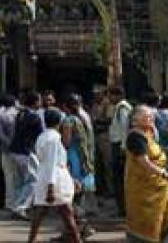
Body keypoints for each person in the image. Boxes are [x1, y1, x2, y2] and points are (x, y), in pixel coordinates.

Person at [124, 105, 168, 243]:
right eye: (146, 115)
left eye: (151, 115)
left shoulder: (148, 134)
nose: (150, 117)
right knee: (146, 231)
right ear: (134, 120)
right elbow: (144, 163)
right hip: (144, 195)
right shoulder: (136, 137)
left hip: (157, 192)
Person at [27, 108, 81, 243]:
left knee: (40, 213)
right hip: (55, 179)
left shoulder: (42, 137)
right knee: (67, 214)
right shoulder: (55, 138)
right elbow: (52, 163)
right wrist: (51, 187)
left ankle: (31, 240)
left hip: (44, 175)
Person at [60, 93, 96, 239]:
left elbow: (66, 142)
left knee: (70, 197)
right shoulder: (83, 118)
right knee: (77, 197)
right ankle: (75, 230)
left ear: (65, 107)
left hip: (73, 161)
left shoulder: (69, 121)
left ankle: (80, 228)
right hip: (84, 161)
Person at [9, 91, 45, 220]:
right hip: (27, 151)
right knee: (33, 181)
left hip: (15, 150)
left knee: (19, 181)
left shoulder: (20, 114)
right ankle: (20, 207)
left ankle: (15, 206)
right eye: (39, 100)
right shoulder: (35, 117)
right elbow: (41, 136)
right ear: (35, 102)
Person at [106, 86, 133, 217]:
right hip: (118, 145)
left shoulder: (123, 108)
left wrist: (123, 148)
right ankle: (122, 208)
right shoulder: (119, 108)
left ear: (117, 95)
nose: (109, 98)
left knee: (119, 179)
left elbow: (124, 129)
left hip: (120, 147)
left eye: (110, 95)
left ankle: (123, 209)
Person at [0, 94, 19, 212]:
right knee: (19, 177)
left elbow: (0, 134)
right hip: (20, 150)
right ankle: (19, 202)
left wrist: (8, 144)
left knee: (8, 177)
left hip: (6, 150)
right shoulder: (19, 114)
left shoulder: (1, 116)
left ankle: (9, 203)